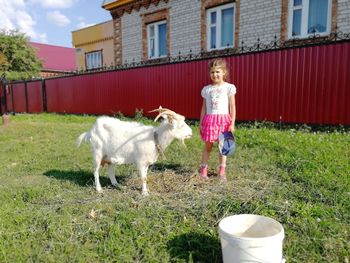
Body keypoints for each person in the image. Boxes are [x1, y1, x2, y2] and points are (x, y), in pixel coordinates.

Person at [199, 58, 237, 181]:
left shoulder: (229, 88)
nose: (215, 74)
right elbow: (204, 107)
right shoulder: (207, 89)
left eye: (217, 72)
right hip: (210, 121)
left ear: (224, 72)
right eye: (212, 72)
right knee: (208, 146)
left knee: (223, 147)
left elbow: (232, 106)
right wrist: (201, 123)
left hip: (224, 121)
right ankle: (203, 169)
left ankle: (222, 171)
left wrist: (232, 123)